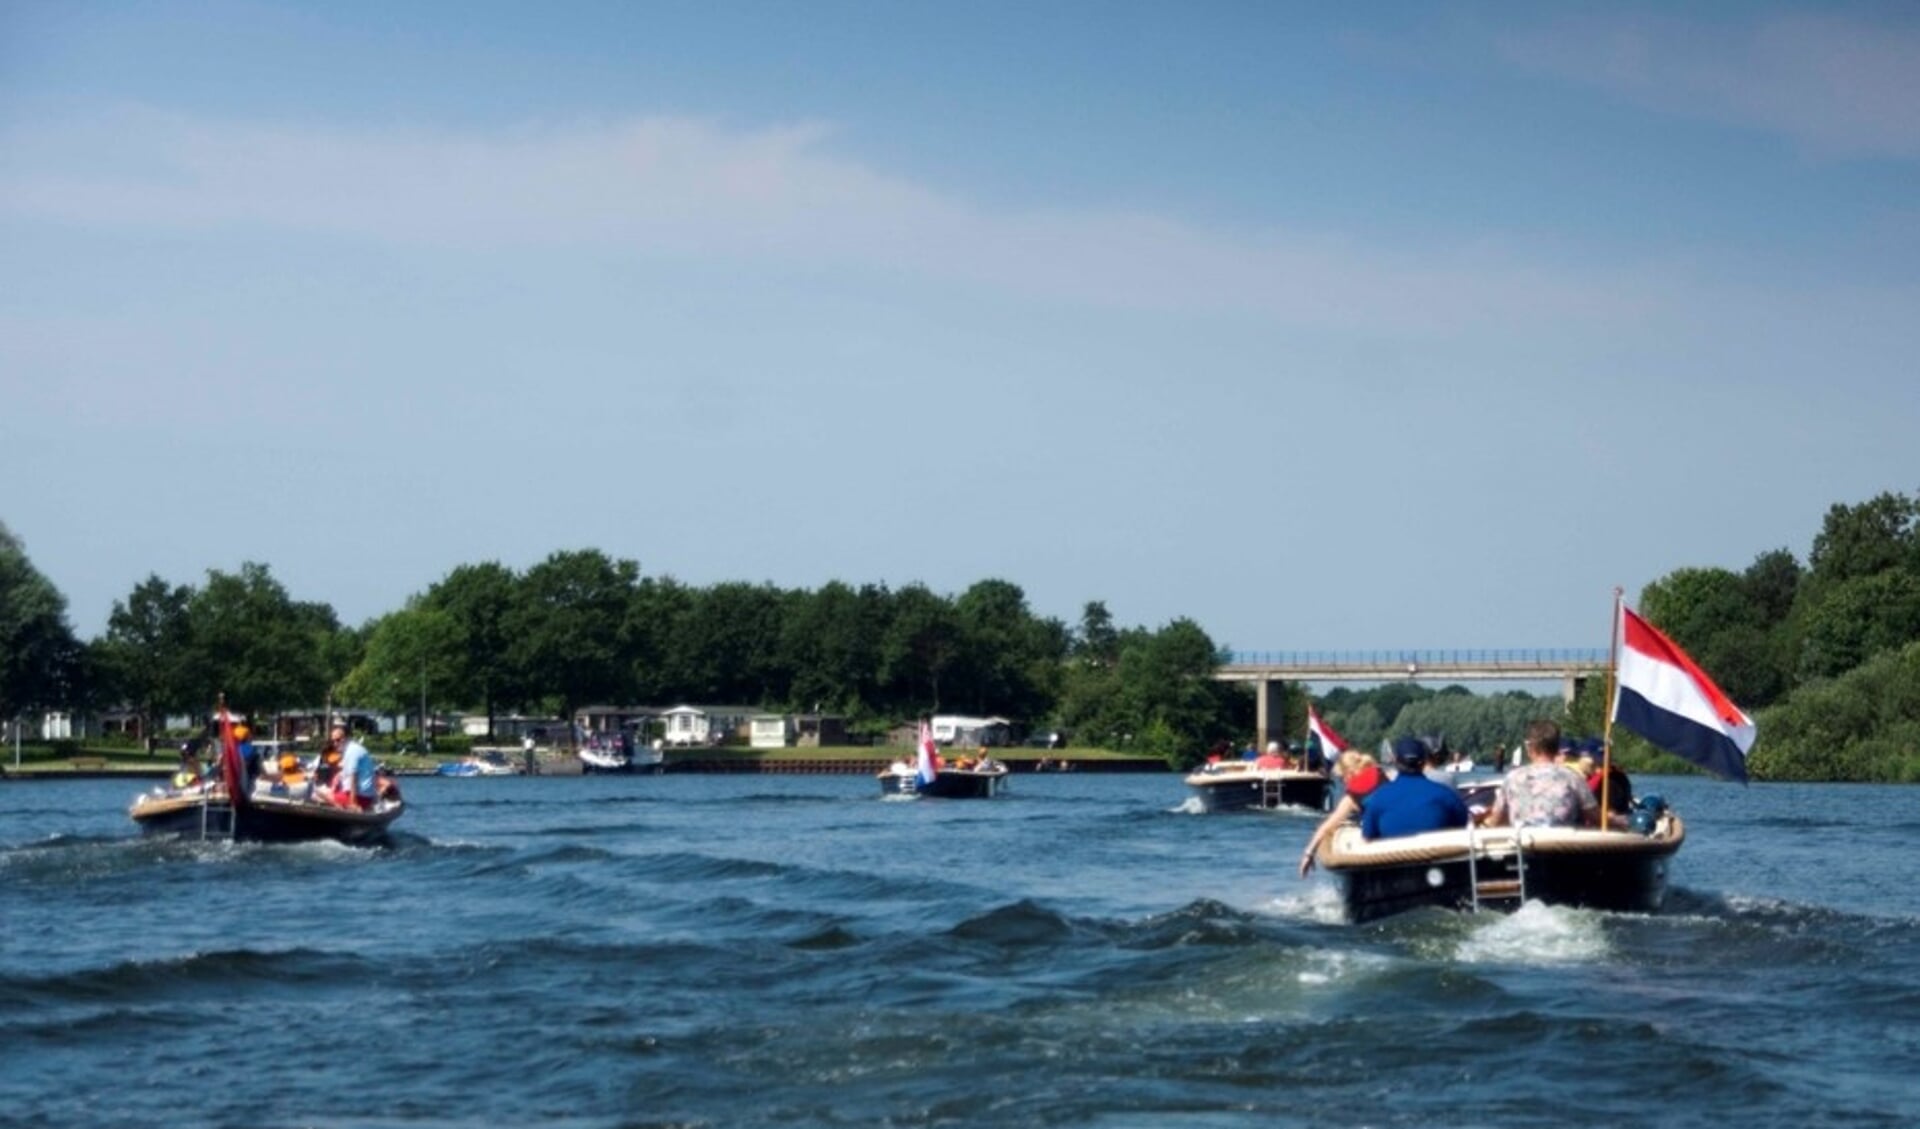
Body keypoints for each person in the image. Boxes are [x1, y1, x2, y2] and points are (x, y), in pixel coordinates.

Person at [1483, 719, 1599, 829]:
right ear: (1557, 747)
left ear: (1529, 747)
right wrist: (1614, 819)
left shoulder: (1512, 778)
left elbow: (1496, 820)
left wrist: (1482, 822)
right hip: (1560, 845)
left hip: (1524, 845)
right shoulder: (1572, 778)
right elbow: (1596, 818)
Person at [1360, 738, 1471, 840]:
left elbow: (1368, 835)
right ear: (1423, 762)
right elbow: (1461, 825)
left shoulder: (1377, 798)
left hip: (1395, 859)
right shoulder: (1446, 795)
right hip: (1438, 858)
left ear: (1395, 761)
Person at [1299, 749, 1387, 876]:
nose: (1343, 783)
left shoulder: (1352, 798)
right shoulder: (1381, 775)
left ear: (1349, 773)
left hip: (1374, 837)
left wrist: (1308, 853)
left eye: (1341, 778)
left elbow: (1327, 826)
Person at [331, 720, 377, 810]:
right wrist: (339, 775)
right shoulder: (350, 749)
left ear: (347, 738)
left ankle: (346, 808)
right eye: (333, 741)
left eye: (338, 740)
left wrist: (353, 802)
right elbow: (345, 772)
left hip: (361, 798)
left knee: (316, 793)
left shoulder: (352, 751)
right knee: (327, 791)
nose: (335, 744)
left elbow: (354, 777)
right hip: (362, 795)